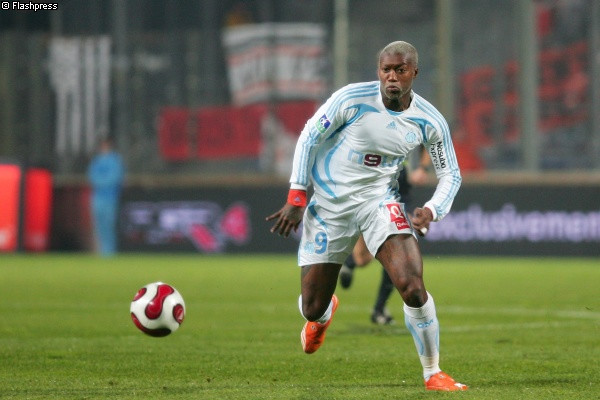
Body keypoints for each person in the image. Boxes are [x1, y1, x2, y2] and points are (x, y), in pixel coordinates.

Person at [266, 41, 467, 391]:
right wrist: (297, 195)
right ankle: (322, 316)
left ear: (414, 73)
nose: (392, 77)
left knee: (412, 286)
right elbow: (309, 137)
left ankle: (433, 372)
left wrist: (432, 209)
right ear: (379, 71)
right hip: (330, 205)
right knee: (312, 307)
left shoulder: (429, 120)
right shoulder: (351, 98)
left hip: (379, 202)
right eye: (386, 69)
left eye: (400, 70)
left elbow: (451, 173)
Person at [339, 148, 432, 325]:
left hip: (400, 187)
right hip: (376, 185)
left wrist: (422, 168)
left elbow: (428, 141)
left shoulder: (410, 129)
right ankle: (351, 263)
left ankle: (379, 308)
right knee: (363, 259)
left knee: (398, 250)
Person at [87, 136, 125, 257]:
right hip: (98, 198)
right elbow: (92, 177)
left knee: (109, 224)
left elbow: (115, 178)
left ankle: (110, 251)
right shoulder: (96, 161)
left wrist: (102, 182)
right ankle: (102, 251)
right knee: (99, 225)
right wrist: (101, 182)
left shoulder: (115, 160)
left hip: (110, 198)